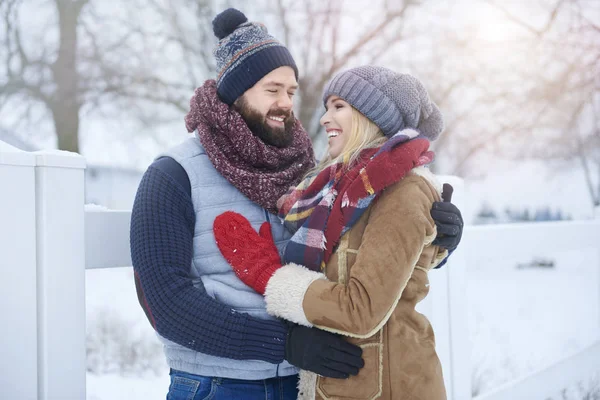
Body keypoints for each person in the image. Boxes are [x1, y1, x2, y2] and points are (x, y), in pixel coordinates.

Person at [130, 7, 462, 400]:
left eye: (291, 92)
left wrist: (437, 242)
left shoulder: (309, 175)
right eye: (272, 90)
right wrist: (280, 343)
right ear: (235, 93)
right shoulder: (173, 175)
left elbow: (360, 253)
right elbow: (165, 303)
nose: (286, 104)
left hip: (305, 382)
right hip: (218, 385)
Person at [214, 66, 451, 400]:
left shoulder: (402, 190)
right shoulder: (339, 190)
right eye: (327, 107)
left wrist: (271, 278)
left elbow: (361, 309)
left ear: (372, 116)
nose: (325, 118)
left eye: (339, 106)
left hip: (393, 387)